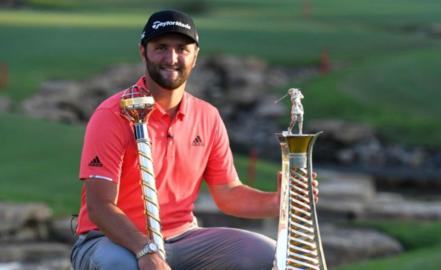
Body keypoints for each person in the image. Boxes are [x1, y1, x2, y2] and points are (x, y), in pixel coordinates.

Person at [70, 9, 317, 270]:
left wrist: (276, 203)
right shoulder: (113, 114)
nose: (172, 58)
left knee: (271, 258)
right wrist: (146, 250)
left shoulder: (207, 116)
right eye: (161, 47)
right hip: (109, 241)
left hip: (183, 236)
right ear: (143, 51)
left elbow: (228, 194)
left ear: (195, 56)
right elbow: (100, 207)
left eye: (182, 49)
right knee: (123, 266)